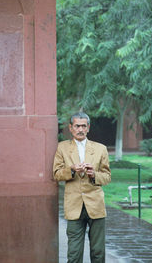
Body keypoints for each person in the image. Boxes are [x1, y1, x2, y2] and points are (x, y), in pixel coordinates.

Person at [53, 112, 111, 263]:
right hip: (74, 206)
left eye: (83, 126)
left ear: (88, 128)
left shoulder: (100, 149)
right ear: (71, 128)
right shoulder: (62, 148)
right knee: (74, 253)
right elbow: (57, 174)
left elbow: (107, 176)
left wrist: (94, 175)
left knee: (98, 252)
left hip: (96, 205)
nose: (80, 129)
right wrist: (71, 170)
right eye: (77, 126)